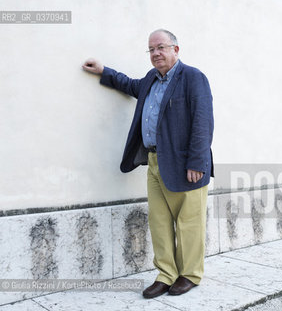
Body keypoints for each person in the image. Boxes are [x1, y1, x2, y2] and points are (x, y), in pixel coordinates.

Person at [82, 29, 214, 298]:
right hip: (154, 162)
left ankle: (189, 274)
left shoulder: (193, 78)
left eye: (161, 47)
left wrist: (197, 162)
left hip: (186, 164)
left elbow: (203, 122)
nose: (155, 53)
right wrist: (103, 70)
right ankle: (166, 274)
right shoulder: (151, 80)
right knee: (159, 221)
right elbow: (129, 85)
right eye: (151, 49)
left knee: (189, 222)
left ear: (176, 50)